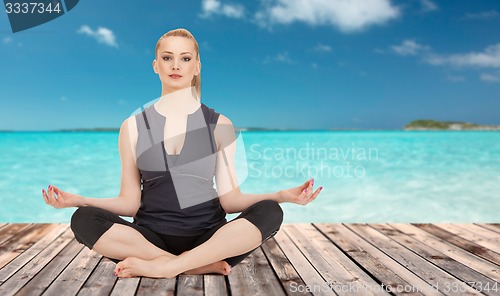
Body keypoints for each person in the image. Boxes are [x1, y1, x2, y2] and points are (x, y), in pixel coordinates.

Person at [41, 28, 322, 279]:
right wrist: (79, 199)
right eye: (167, 58)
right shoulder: (133, 127)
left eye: (185, 58)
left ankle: (166, 266)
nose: (176, 65)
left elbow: (231, 200)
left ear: (197, 66)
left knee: (271, 211)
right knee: (83, 219)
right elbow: (129, 204)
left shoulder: (219, 125)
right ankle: (191, 265)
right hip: (149, 239)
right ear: (155, 65)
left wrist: (283, 196)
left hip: (209, 238)